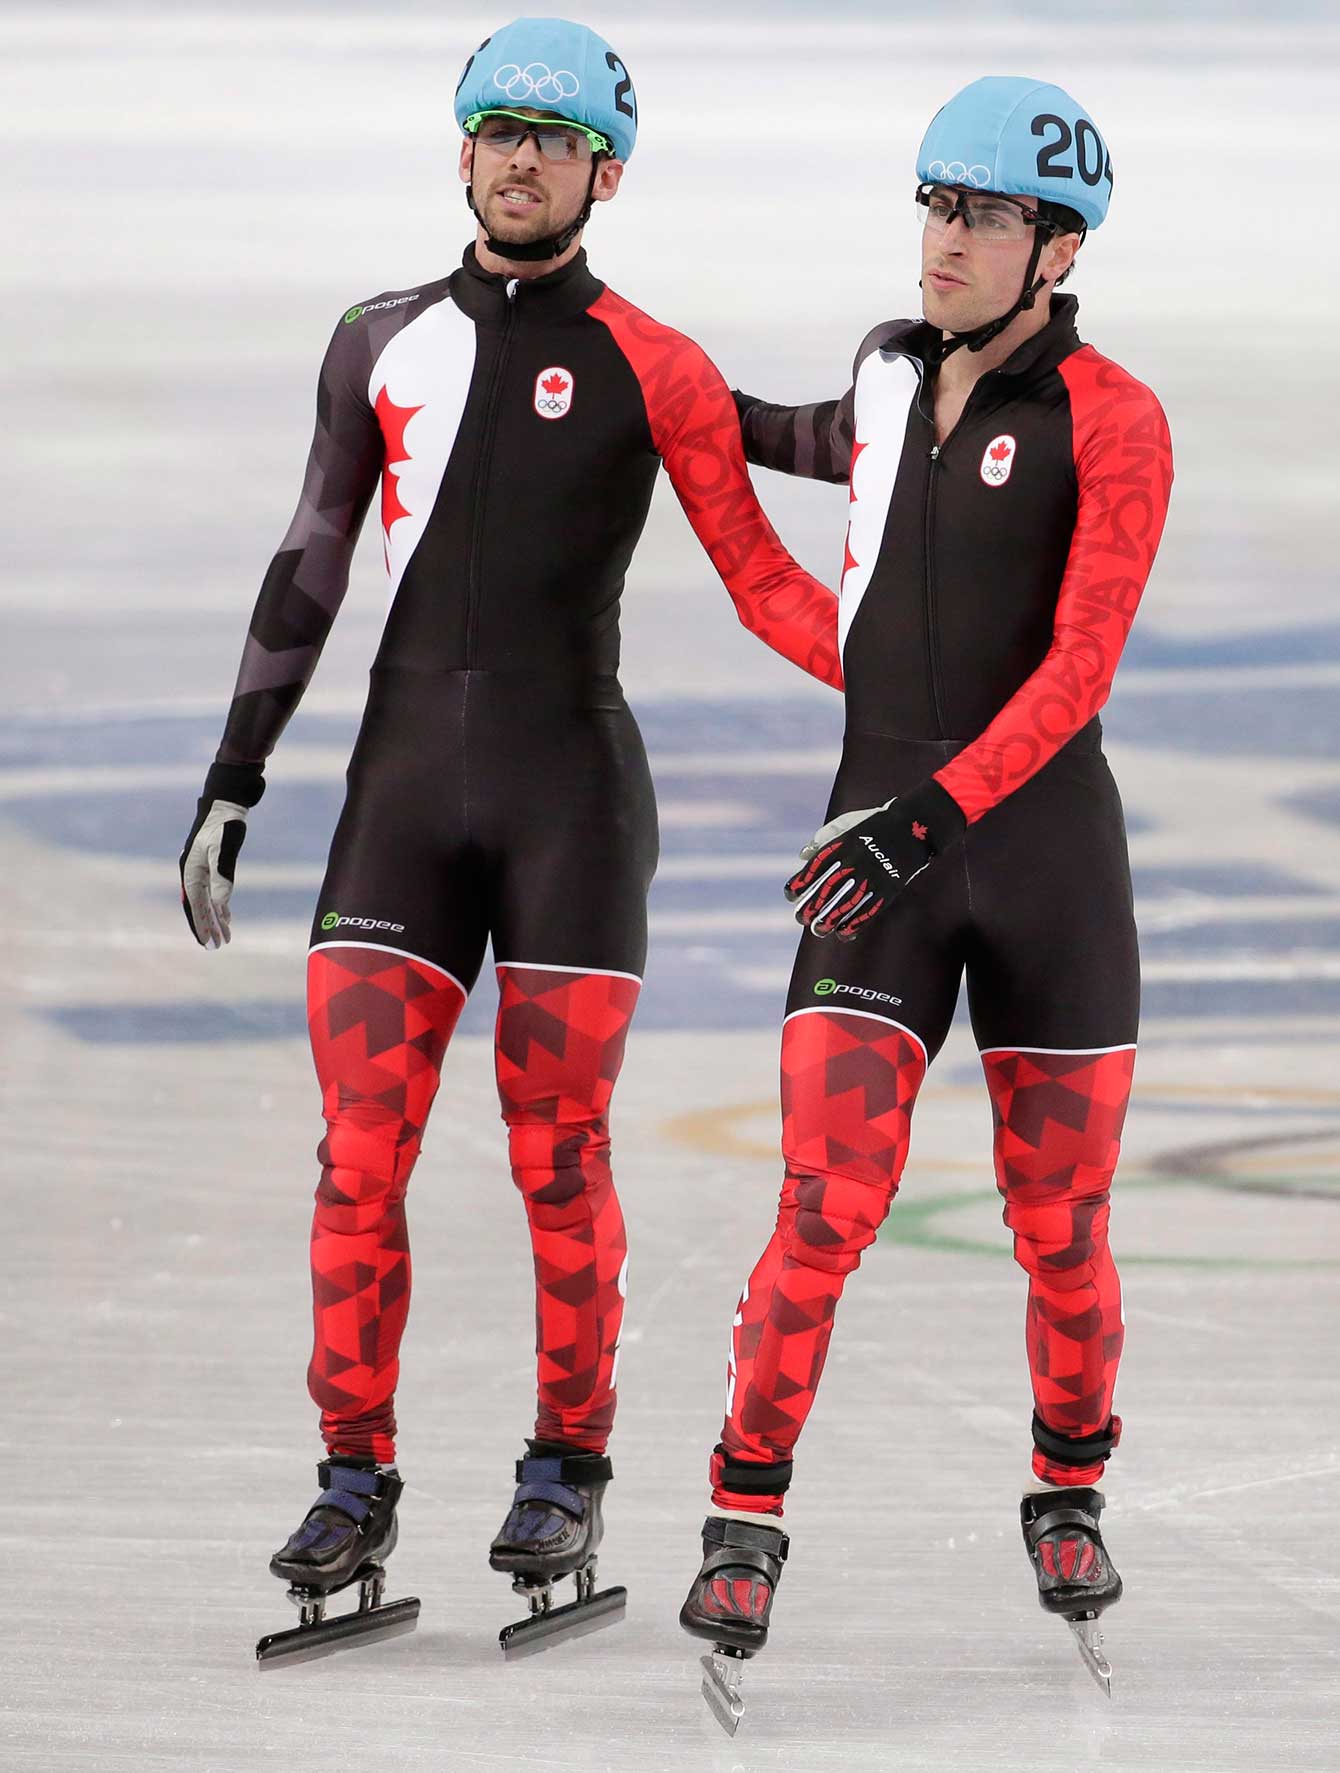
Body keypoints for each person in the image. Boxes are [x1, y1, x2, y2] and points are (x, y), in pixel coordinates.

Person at [178, 16, 842, 1662]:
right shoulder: (374, 339)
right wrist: (236, 772)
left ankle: (569, 1467)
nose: (523, 155)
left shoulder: (653, 362)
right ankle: (354, 1475)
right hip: (398, 802)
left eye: (556, 135)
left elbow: (766, 563)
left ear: (604, 171)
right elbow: (314, 555)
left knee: (561, 1160)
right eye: (498, 128)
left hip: (573, 806)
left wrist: (931, 696)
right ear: (460, 150)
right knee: (357, 1161)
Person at [679, 76, 1173, 1726]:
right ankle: (744, 1515)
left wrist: (927, 811)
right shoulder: (889, 377)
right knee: (821, 1204)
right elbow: (775, 453)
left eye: (981, 215)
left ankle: (1067, 1488)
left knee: (1064, 1234)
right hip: (874, 855)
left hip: (1039, 863)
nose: (944, 236)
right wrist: (659, 401)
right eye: (933, 204)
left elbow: (1079, 664)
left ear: (1058, 247)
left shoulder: (1117, 415)